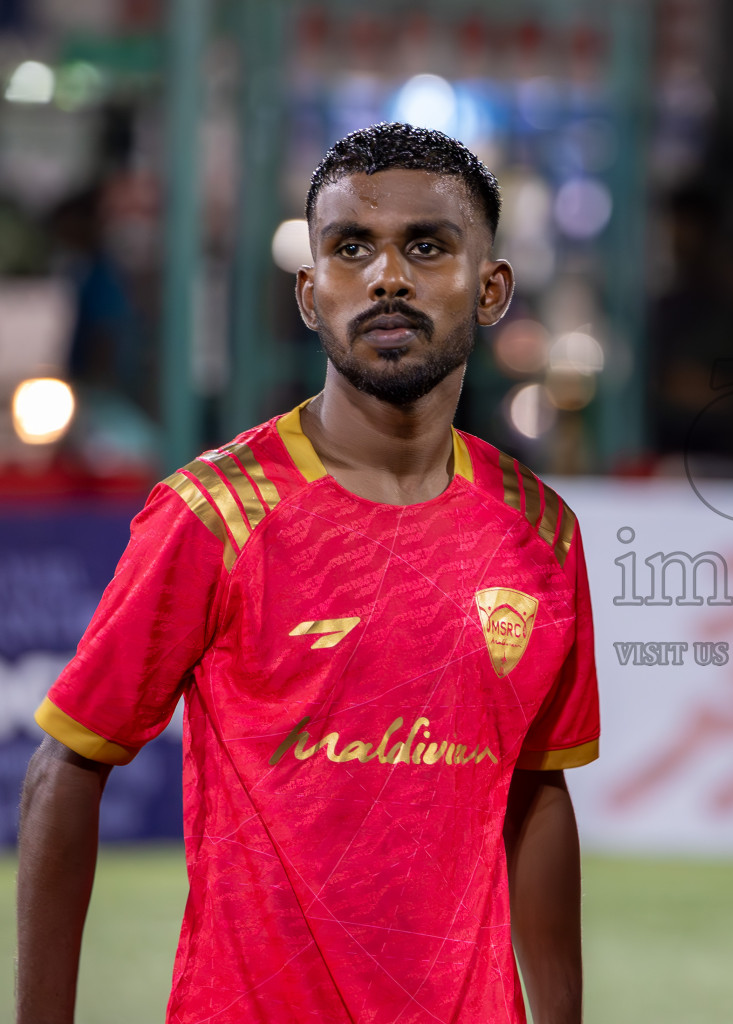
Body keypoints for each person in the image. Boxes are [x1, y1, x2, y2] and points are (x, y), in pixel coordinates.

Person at [16, 123, 598, 1024]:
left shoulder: (540, 534)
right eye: (351, 248)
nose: (388, 278)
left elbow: (537, 789)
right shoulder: (212, 515)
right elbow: (68, 764)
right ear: (308, 291)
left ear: (491, 291)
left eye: (427, 247)